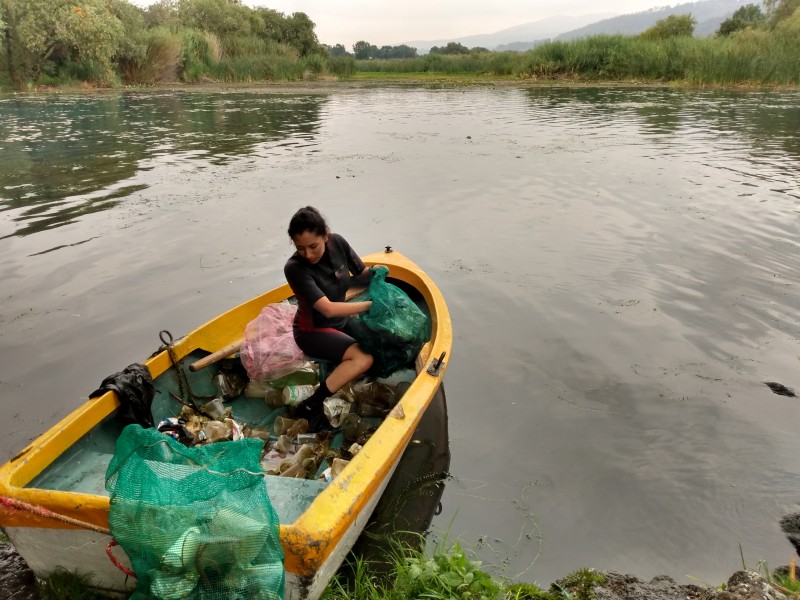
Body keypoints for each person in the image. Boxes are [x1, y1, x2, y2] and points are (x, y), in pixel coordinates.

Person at [284, 206, 376, 431]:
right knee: (363, 359)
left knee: (382, 340)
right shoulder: (294, 268)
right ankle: (311, 404)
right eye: (300, 248)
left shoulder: (338, 243)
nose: (308, 254)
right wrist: (372, 306)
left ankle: (344, 376)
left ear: (325, 235)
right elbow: (328, 310)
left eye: (313, 246)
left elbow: (362, 276)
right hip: (312, 331)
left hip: (340, 323)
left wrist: (378, 273)